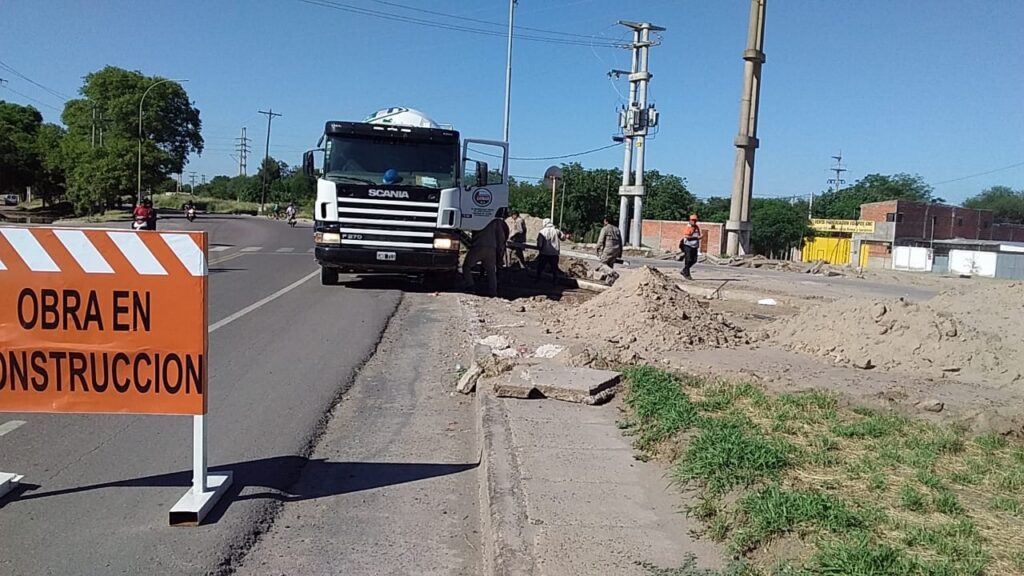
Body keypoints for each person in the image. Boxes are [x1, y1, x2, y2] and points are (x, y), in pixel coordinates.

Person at [461, 217, 504, 297]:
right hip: (491, 248)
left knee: (466, 267)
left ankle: (471, 286)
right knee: (491, 271)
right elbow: (501, 237)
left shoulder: (476, 215)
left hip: (477, 247)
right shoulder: (496, 220)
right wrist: (500, 251)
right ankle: (493, 293)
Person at [535, 218, 562, 284]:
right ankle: (555, 281)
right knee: (554, 268)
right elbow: (563, 237)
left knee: (540, 267)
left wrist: (539, 249)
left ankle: (538, 279)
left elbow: (540, 243)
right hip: (554, 253)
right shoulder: (556, 231)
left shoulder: (542, 232)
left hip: (545, 252)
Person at [679, 214, 701, 280]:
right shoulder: (688, 227)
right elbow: (687, 237)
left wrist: (698, 238)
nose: (694, 221)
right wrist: (697, 238)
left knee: (694, 260)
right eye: (692, 220)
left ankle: (684, 270)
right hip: (687, 245)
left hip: (694, 246)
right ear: (690, 220)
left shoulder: (696, 227)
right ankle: (687, 274)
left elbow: (698, 235)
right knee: (688, 260)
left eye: (695, 220)